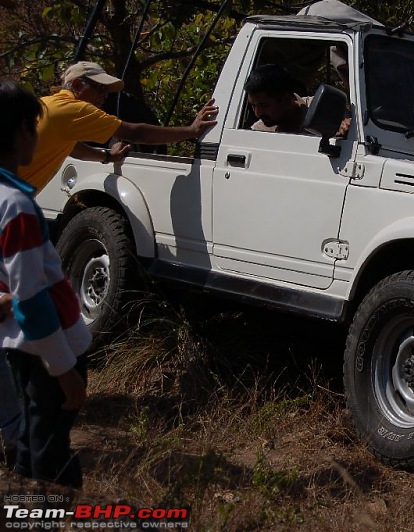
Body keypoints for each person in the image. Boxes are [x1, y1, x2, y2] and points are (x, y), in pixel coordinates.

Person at [0, 79, 92, 487]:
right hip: (46, 349)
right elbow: (33, 297)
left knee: (34, 441)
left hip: (18, 346)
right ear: (22, 130)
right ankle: (44, 516)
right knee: (50, 457)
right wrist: (64, 368)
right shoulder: (17, 205)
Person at [19, 61, 218, 191]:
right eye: (99, 88)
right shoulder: (75, 109)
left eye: (107, 91)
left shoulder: (47, 103)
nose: (104, 96)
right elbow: (136, 132)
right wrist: (190, 130)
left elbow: (73, 147)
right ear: (78, 86)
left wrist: (107, 156)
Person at [245, 64, 314, 134]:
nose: (258, 113)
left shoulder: (322, 109)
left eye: (264, 105)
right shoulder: (258, 132)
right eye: (253, 105)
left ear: (286, 100)